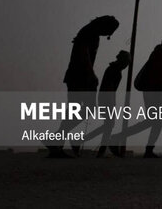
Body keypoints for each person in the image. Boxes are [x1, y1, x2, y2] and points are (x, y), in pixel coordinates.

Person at [47, 15, 120, 158]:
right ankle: (56, 141)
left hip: (80, 76)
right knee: (83, 109)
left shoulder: (89, 32)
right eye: (110, 31)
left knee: (78, 110)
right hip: (79, 77)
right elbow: (83, 53)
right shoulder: (89, 33)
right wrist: (91, 74)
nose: (109, 35)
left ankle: (56, 142)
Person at [113, 33, 162, 158]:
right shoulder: (161, 53)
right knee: (154, 121)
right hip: (155, 91)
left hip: (152, 90)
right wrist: (161, 92)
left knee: (152, 121)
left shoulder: (158, 52)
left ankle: (144, 147)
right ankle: (122, 139)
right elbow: (156, 75)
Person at [83, 50, 131, 157]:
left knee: (108, 125)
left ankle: (101, 148)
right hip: (107, 99)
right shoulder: (114, 70)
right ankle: (102, 149)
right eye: (126, 63)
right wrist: (111, 103)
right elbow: (109, 87)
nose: (127, 65)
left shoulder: (114, 69)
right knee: (109, 125)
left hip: (106, 99)